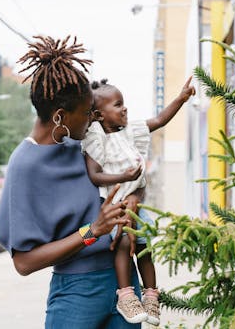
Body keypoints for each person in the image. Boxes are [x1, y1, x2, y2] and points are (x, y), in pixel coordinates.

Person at [0, 35, 144, 329]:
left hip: (125, 285)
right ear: (61, 116)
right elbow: (24, 263)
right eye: (87, 113)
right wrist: (93, 231)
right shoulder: (25, 165)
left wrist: (132, 201)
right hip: (77, 292)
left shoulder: (86, 143)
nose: (93, 120)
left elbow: (128, 175)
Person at [81, 77, 195, 325]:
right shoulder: (95, 138)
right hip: (115, 205)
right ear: (99, 115)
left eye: (124, 103)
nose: (125, 108)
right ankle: (126, 295)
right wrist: (124, 176)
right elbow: (95, 175)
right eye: (118, 105)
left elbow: (159, 120)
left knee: (144, 246)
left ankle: (151, 295)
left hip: (136, 203)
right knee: (123, 244)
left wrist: (181, 98)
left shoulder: (130, 131)